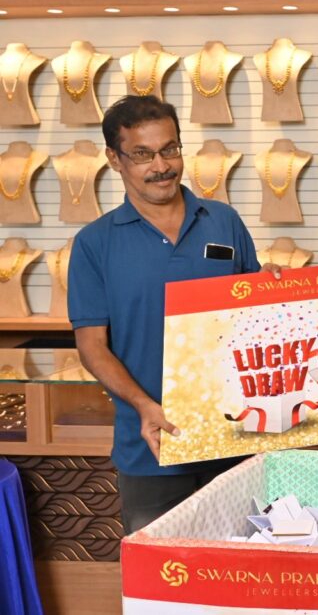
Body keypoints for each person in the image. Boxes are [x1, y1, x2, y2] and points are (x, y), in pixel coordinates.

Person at [68, 95, 268, 534]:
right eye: (142, 154)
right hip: (152, 447)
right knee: (160, 571)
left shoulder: (224, 221)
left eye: (170, 149)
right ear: (114, 159)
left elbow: (254, 317)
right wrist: (143, 405)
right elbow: (92, 347)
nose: (161, 166)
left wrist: (278, 292)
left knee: (241, 565)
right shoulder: (94, 243)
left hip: (236, 438)